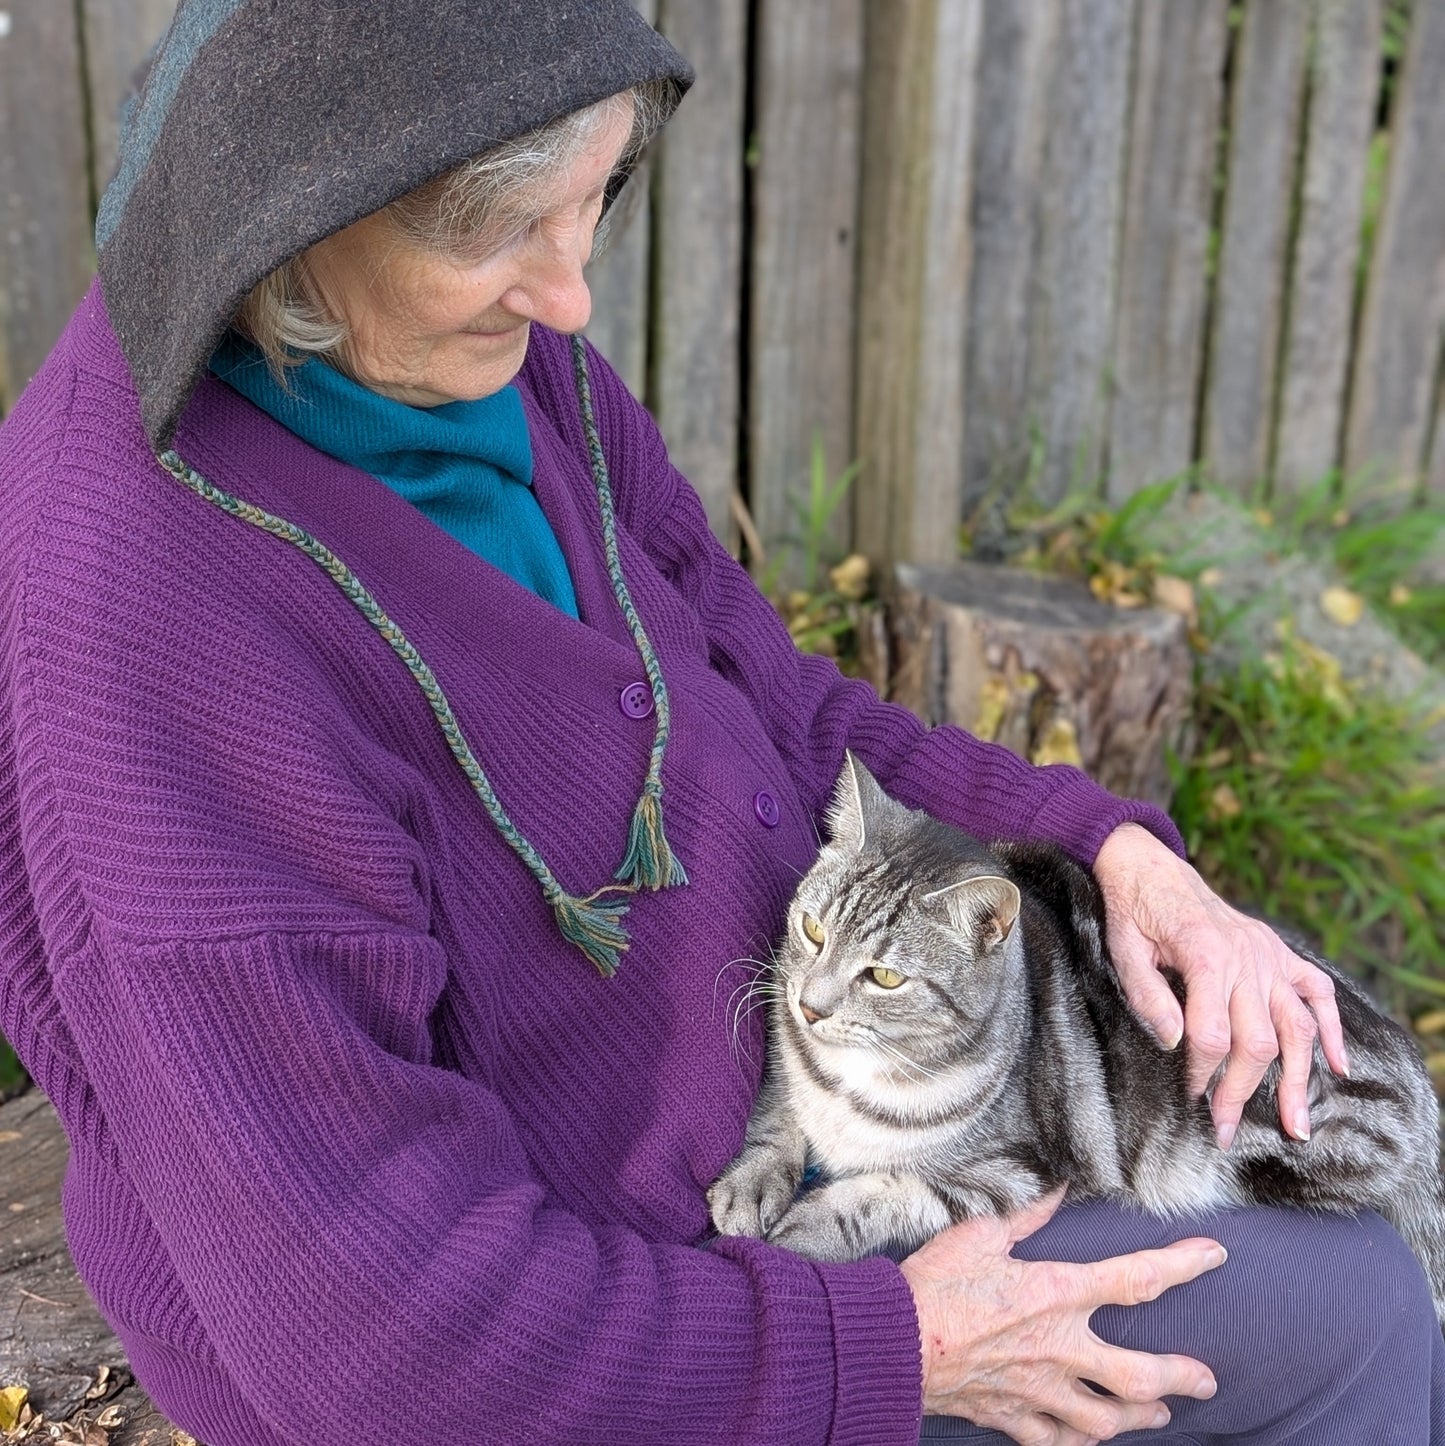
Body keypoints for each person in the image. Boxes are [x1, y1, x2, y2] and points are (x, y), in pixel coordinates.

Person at [0, 4, 1437, 1443]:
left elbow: (781, 701)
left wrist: (1107, 848)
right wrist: (892, 1350)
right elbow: (376, 1331)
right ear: (284, 225)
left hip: (818, 1111)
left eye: (592, 201)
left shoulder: (477, 359)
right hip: (618, 1329)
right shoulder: (145, 616)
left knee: (1350, 1225)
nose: (569, 297)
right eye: (500, 230)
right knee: (1354, 1312)